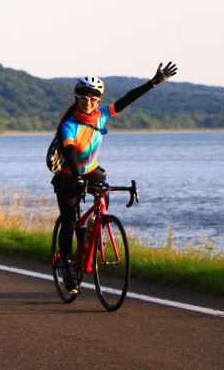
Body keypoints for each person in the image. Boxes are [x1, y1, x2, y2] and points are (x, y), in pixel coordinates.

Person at [52, 62, 178, 293]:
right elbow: (70, 152)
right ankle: (68, 266)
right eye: (83, 97)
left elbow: (128, 98)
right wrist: (77, 178)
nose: (88, 101)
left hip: (92, 170)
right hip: (69, 174)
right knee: (69, 220)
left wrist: (154, 82)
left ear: (98, 101)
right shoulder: (69, 125)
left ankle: (93, 226)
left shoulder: (102, 116)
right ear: (77, 98)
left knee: (103, 193)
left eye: (93, 98)